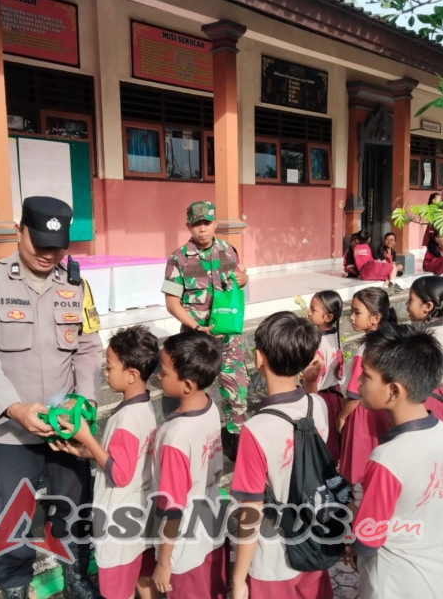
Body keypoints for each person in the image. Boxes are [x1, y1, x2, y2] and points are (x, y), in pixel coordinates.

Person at [0, 196, 103, 599]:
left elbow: (89, 348)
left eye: (56, 248)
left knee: (74, 506)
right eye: (39, 243)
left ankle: (76, 576)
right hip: (9, 430)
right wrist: (15, 409)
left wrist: (84, 403)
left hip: (65, 426)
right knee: (10, 517)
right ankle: (14, 587)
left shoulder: (76, 286)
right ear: (19, 231)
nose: (47, 254)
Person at [345, 323, 443, 599]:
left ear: (394, 391)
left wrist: (351, 546)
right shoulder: (441, 431)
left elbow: (368, 538)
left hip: (393, 583)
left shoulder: (388, 458)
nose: (358, 382)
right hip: (438, 575)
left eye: (366, 376)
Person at [231, 311, 333, 599]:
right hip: (315, 542)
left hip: (274, 559)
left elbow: (252, 509)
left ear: (259, 357)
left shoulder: (255, 429)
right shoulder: (318, 405)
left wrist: (238, 579)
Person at [56, 325, 160, 599]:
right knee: (144, 578)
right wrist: (86, 451)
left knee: (116, 591)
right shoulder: (144, 407)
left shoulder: (126, 419)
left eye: (110, 367)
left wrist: (87, 438)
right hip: (140, 516)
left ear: (131, 374)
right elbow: (125, 457)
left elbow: (121, 474)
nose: (105, 372)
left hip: (118, 523)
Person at [161, 201, 248, 459]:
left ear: (215, 224)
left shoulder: (228, 251)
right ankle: (201, 445)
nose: (202, 229)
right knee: (199, 395)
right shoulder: (178, 258)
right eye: (197, 224)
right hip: (197, 342)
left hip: (229, 340)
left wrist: (245, 279)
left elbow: (239, 281)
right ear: (188, 225)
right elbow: (172, 304)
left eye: (207, 223)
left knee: (238, 393)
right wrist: (198, 327)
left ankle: (236, 443)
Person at [150, 331, 227, 598]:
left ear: (186, 385)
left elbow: (172, 508)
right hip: (213, 529)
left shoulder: (176, 436)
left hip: (183, 548)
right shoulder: (210, 406)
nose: (159, 376)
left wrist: (164, 562)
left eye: (164, 371)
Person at [406, 275, 443, 485]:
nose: (407, 304)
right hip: (427, 397)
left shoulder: (437, 338)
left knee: (427, 464)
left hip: (428, 402)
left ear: (428, 306)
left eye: (411, 300)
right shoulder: (432, 332)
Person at [338, 287, 397, 486]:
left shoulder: (365, 350)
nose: (352, 317)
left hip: (362, 414)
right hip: (383, 410)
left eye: (357, 312)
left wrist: (342, 416)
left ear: (375, 318)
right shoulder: (389, 343)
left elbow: (354, 393)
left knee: (356, 468)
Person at [302, 290, 345, 463]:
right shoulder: (337, 337)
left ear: (328, 317)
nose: (309, 312)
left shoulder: (317, 342)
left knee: (322, 442)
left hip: (319, 397)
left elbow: (313, 375)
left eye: (313, 309)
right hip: (335, 396)